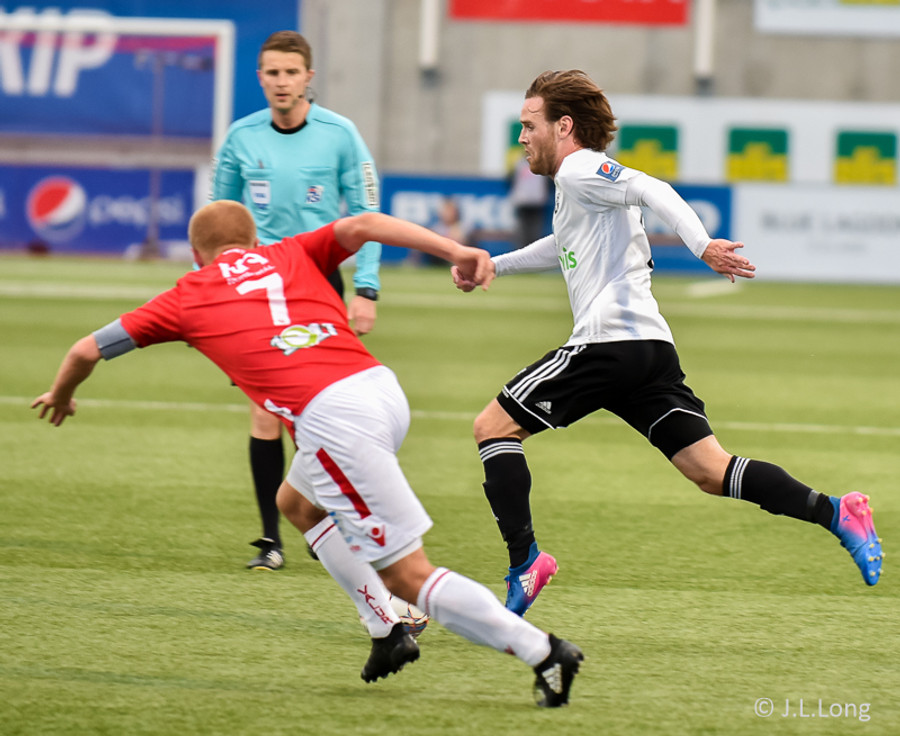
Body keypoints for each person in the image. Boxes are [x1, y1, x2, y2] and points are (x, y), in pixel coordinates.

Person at [31, 201, 584, 707]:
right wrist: (454, 249)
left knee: (407, 575)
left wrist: (61, 393)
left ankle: (545, 653)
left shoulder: (187, 293)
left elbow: (86, 350)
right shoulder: (289, 251)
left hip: (334, 419)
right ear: (253, 240)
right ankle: (386, 632)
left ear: (198, 254)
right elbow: (365, 224)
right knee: (296, 502)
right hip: (379, 388)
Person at [452, 70, 884, 616]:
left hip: (607, 344)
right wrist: (495, 264)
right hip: (649, 349)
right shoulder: (578, 187)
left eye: (528, 125)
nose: (521, 137)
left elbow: (649, 187)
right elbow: (562, 245)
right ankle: (836, 512)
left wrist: (701, 245)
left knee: (492, 428)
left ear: (563, 126)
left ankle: (525, 562)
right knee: (710, 470)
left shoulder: (581, 169)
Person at [210, 31, 382, 570]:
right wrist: (212, 297)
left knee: (324, 411)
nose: (282, 82)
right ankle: (271, 541)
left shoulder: (340, 134)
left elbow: (366, 212)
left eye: (291, 73)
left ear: (308, 77)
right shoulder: (241, 137)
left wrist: (367, 288)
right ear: (260, 77)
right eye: (272, 73)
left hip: (319, 285)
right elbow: (216, 226)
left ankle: (331, 519)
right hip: (259, 289)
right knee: (264, 410)